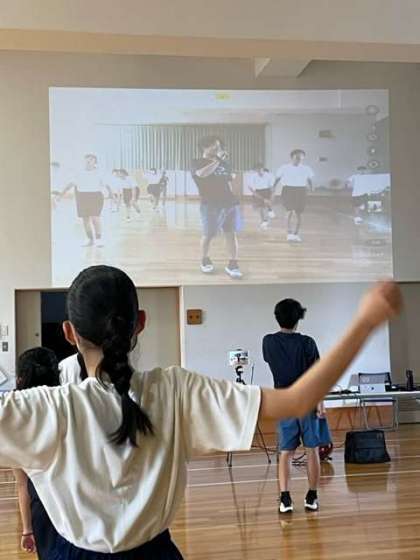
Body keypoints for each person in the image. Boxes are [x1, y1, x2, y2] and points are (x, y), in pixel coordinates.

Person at [0, 265, 400, 558]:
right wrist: (366, 321)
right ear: (140, 324)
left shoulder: (45, 408)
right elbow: (297, 400)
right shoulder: (175, 389)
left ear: (69, 333)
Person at [263, 299, 330, 514]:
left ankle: (285, 499)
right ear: (298, 319)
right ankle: (312, 497)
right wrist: (320, 402)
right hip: (308, 401)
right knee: (312, 450)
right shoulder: (307, 342)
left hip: (284, 401)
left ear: (277, 317)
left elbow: (271, 361)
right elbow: (318, 375)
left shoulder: (268, 342)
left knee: (285, 452)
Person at [13, 347, 61, 558]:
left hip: (42, 509)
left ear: (20, 379)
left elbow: (22, 484)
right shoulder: (71, 407)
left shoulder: (16, 422)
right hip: (76, 506)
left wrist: (27, 529)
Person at [192, 136, 242, 279]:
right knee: (209, 234)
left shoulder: (224, 163)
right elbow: (202, 174)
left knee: (231, 233)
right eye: (214, 146)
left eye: (218, 146)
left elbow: (229, 179)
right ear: (204, 147)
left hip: (229, 204)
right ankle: (205, 259)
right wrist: (218, 160)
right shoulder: (197, 162)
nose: (217, 148)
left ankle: (233, 263)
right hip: (211, 205)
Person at [59, 154, 113, 247]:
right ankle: (90, 239)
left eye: (91, 159)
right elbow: (71, 184)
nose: (88, 161)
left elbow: (107, 185)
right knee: (85, 219)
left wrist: (111, 194)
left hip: (95, 196)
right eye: (87, 159)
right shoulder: (79, 172)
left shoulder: (100, 172)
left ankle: (99, 239)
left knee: (95, 218)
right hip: (82, 196)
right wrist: (61, 194)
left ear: (95, 162)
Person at [275, 149, 314, 243]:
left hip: (301, 190)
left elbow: (309, 179)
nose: (299, 158)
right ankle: (289, 233)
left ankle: (296, 234)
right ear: (292, 157)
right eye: (297, 156)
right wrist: (273, 187)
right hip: (288, 190)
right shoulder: (284, 167)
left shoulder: (306, 168)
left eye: (301, 157)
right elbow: (278, 178)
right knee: (289, 211)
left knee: (298, 213)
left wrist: (311, 187)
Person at [248, 163, 276, 230]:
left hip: (267, 190)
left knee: (267, 204)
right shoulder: (253, 176)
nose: (258, 171)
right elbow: (251, 189)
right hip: (258, 191)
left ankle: (270, 209)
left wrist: (272, 195)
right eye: (257, 170)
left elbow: (272, 187)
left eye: (260, 169)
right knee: (261, 208)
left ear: (263, 169)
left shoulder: (269, 175)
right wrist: (262, 198)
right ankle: (264, 221)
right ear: (255, 170)